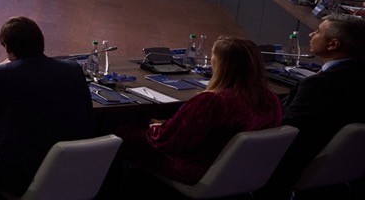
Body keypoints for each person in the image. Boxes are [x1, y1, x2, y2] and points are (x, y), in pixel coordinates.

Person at [118, 37, 282, 184]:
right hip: (241, 173)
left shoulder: (213, 101)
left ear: (222, 65)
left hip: (196, 170)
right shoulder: (270, 99)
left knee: (117, 135)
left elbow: (169, 142)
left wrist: (155, 127)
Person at [0, 16, 94, 195]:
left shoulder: (2, 73)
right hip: (70, 169)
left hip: (20, 173)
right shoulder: (72, 69)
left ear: (8, 48)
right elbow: (88, 110)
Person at [278, 15, 365, 181]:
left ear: (333, 44)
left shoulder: (319, 85)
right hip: (347, 171)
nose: (311, 35)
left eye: (317, 32)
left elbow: (285, 129)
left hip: (295, 166)